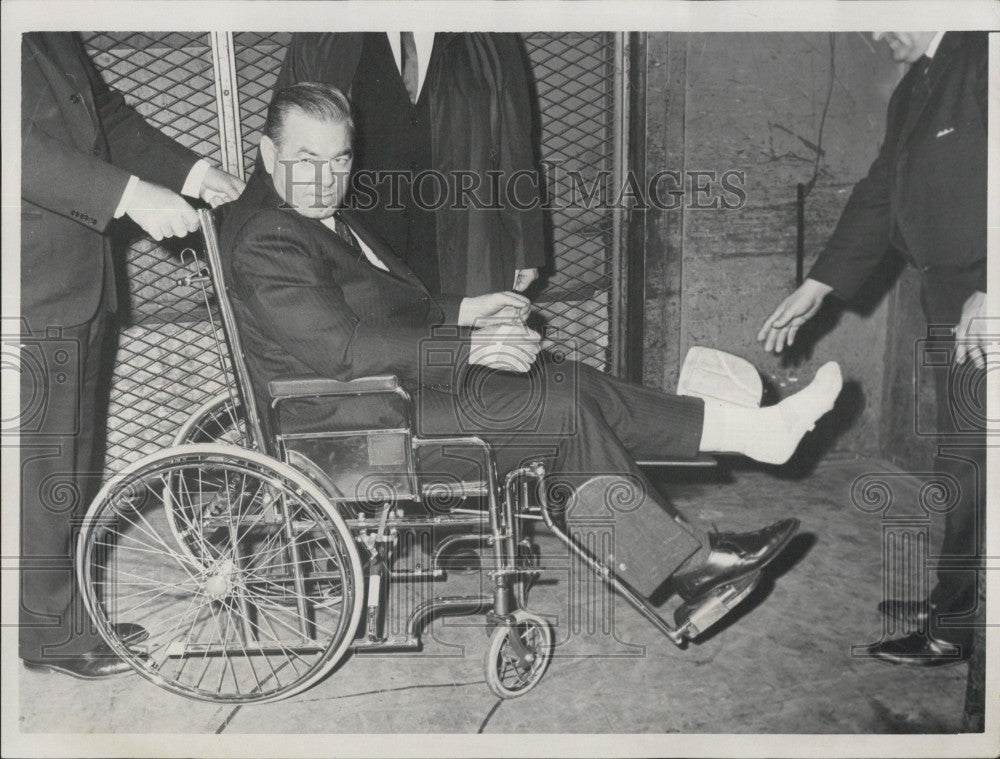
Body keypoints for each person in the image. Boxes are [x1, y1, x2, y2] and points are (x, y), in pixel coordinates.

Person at [221, 82, 846, 610]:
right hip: (352, 426)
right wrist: (472, 349)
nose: (327, 178)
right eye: (307, 159)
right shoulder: (268, 238)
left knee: (569, 383)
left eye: (340, 159)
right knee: (559, 414)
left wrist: (469, 309)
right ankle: (689, 565)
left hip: (389, 396)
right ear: (267, 153)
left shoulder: (309, 212)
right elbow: (346, 351)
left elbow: (380, 306)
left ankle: (758, 432)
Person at [19, 32, 245, 679]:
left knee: (67, 453)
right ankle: (53, 632)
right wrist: (129, 196)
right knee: (43, 461)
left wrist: (198, 174)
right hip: (29, 276)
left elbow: (102, 113)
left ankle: (50, 617)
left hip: (73, 273)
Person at [758, 32, 987, 666]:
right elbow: (883, 189)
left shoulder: (986, 54)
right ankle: (959, 600)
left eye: (880, 16)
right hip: (952, 294)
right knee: (965, 458)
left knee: (975, 462)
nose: (874, 34)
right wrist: (818, 286)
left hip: (984, 294)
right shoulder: (918, 84)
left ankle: (960, 624)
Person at [272, 32, 546, 297]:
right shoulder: (326, 32)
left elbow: (515, 143)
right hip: (356, 243)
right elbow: (282, 140)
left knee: (452, 339)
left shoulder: (485, 33)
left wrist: (526, 247)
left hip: (460, 240)